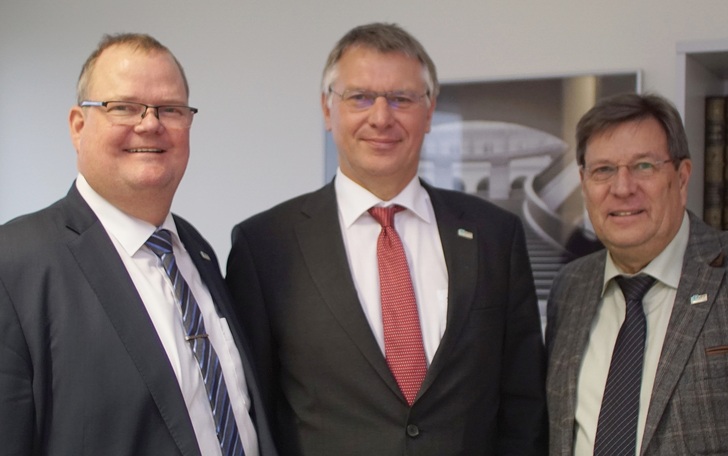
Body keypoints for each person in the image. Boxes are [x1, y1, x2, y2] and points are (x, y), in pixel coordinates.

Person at [226, 22, 547, 456]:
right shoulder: (264, 245)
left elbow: (523, 404)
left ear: (429, 112)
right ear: (327, 110)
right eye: (360, 97)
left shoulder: (495, 236)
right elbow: (254, 412)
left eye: (402, 99)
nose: (381, 117)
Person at [0, 33, 277, 456]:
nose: (150, 124)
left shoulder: (197, 251)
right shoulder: (15, 264)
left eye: (170, 109)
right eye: (124, 107)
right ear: (78, 126)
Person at [546, 92, 728, 455]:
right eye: (604, 170)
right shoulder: (569, 288)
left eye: (644, 166)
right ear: (584, 183)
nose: (623, 187)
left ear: (681, 177)